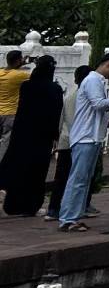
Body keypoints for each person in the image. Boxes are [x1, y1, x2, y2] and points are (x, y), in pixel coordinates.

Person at [57, 53, 109, 231]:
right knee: (78, 179)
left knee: (83, 180)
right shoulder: (93, 80)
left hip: (90, 136)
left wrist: (106, 122)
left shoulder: (94, 81)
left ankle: (73, 216)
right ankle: (68, 218)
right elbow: (99, 104)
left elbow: (91, 110)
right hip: (85, 137)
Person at [0, 57, 62, 216]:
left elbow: (22, 110)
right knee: (37, 172)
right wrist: (55, 134)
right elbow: (56, 114)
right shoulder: (54, 89)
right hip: (43, 137)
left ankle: (12, 204)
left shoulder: (27, 86)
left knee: (19, 169)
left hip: (23, 134)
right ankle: (31, 206)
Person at [44, 61, 90, 222]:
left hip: (65, 140)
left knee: (61, 177)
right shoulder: (85, 98)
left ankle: (53, 209)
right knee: (77, 178)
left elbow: (61, 119)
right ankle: (71, 210)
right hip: (79, 141)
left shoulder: (70, 96)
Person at [0, 50, 27, 140]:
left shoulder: (0, 72)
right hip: (10, 113)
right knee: (6, 142)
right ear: (17, 61)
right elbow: (37, 76)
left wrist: (19, 64)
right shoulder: (19, 75)